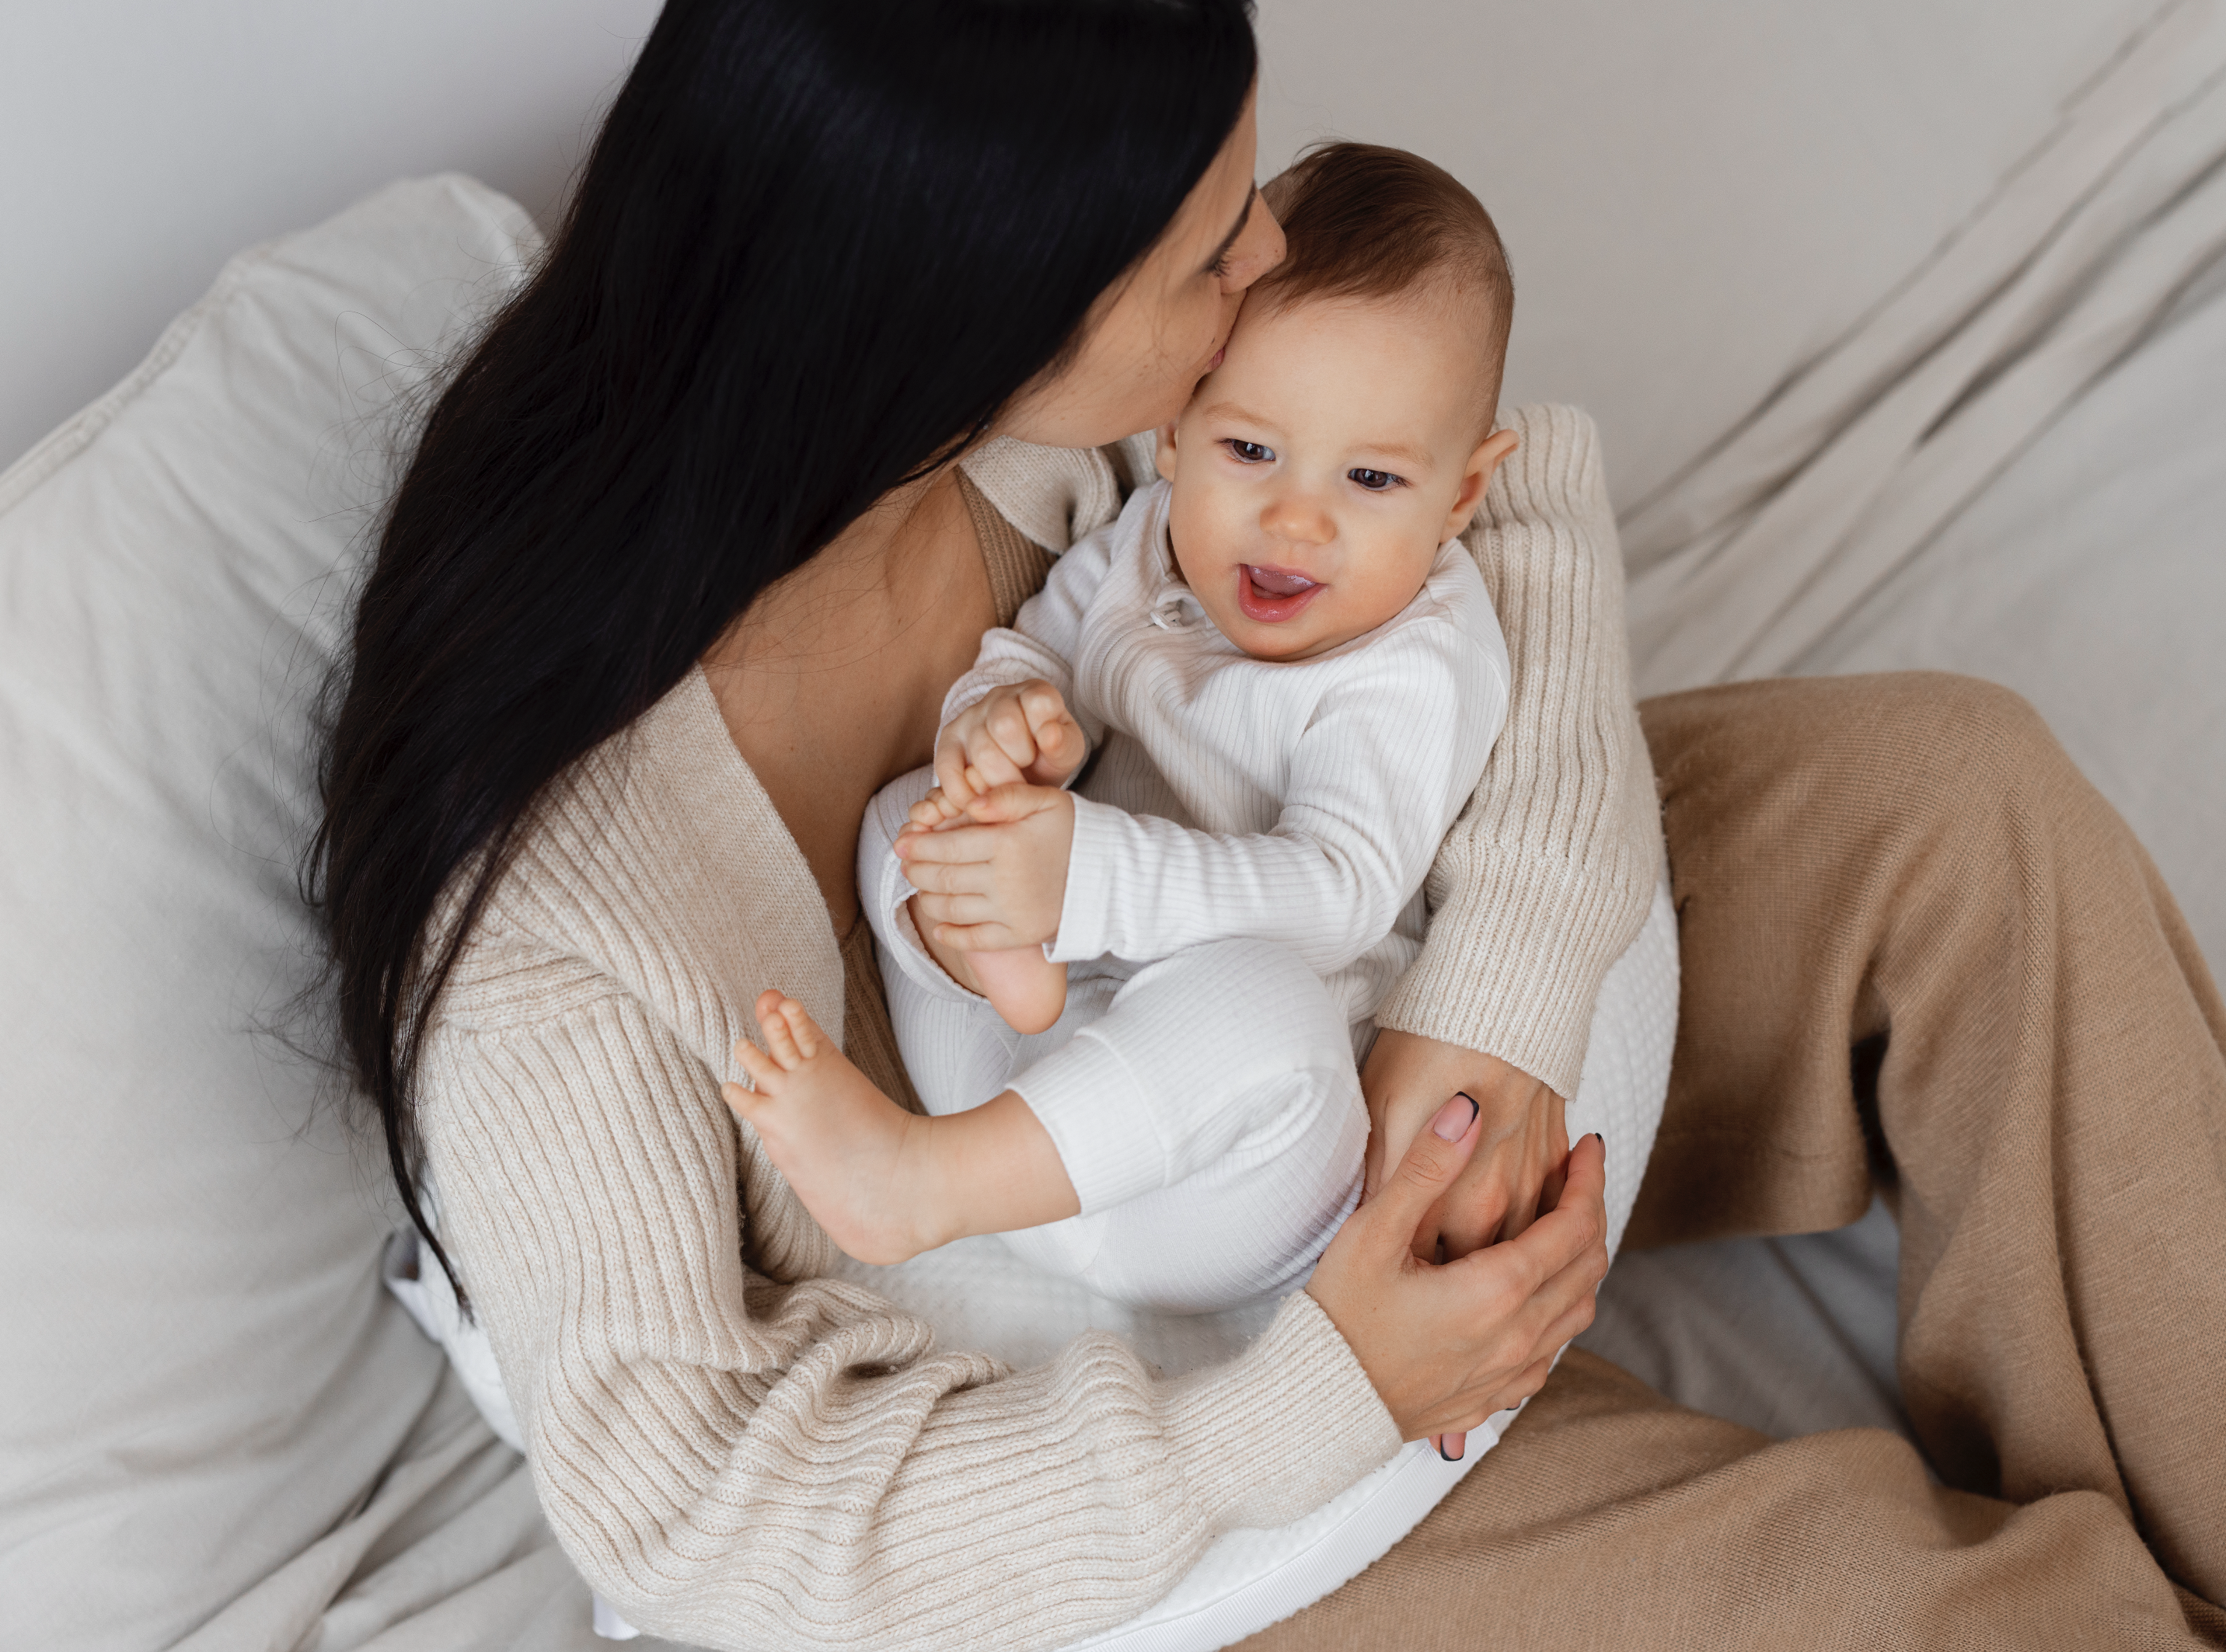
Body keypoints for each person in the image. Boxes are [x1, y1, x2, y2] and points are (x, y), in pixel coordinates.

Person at [311, 0, 2226, 1646]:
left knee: (1956, 808)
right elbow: (692, 1505)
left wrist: (1491, 1011)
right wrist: (1317, 1398)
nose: (1265, 270)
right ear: (982, 312)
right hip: (1164, 1390)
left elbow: (1492, 522)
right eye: (1216, 251)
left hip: (1351, 988)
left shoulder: (1020, 432)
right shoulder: (562, 921)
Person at [724, 144, 1529, 1323]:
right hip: (1027, 1068)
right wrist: (1003, 730)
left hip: (1218, 1172)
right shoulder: (1146, 540)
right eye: (1249, 450)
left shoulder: (1418, 655)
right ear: (1175, 428)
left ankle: (919, 1183)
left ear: (1462, 494)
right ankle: (993, 1001)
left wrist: (1082, 875)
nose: (1294, 518)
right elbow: (1032, 652)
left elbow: (1340, 893)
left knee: (1272, 1012)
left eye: (1370, 479)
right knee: (914, 813)